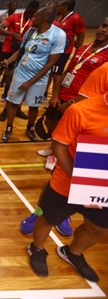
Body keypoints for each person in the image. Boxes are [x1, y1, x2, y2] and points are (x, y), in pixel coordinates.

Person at [20, 19, 108, 236]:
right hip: (64, 107)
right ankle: (41, 212)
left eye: (107, 27)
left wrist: (72, 106)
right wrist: (57, 94)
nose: (101, 29)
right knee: (55, 175)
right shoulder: (84, 48)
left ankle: (64, 214)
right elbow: (66, 73)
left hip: (88, 127)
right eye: (102, 24)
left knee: (76, 180)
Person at [27, 93, 108, 283]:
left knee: (99, 227)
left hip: (103, 187)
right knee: (48, 218)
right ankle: (37, 248)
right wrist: (81, 181)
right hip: (67, 183)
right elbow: (59, 146)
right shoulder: (81, 110)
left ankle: (73, 252)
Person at [0, 7, 66, 143]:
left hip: (39, 79)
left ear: (44, 19)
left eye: (36, 16)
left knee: (33, 106)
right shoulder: (30, 31)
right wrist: (7, 62)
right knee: (12, 102)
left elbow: (50, 64)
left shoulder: (58, 35)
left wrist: (30, 82)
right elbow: (21, 51)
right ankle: (8, 128)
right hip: (20, 73)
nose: (32, 19)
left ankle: (30, 128)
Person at [0, 0, 39, 108]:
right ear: (27, 7)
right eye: (30, 10)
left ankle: (5, 94)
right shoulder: (15, 17)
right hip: (6, 49)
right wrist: (12, 34)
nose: (31, 14)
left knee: (10, 75)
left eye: (33, 12)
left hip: (19, 53)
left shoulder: (33, 23)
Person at [49, 0, 85, 98]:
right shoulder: (60, 17)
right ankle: (43, 94)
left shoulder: (76, 18)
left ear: (65, 7)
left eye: (59, 5)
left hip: (63, 52)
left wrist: (78, 52)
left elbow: (81, 35)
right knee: (50, 73)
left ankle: (54, 97)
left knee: (57, 75)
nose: (57, 7)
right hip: (54, 50)